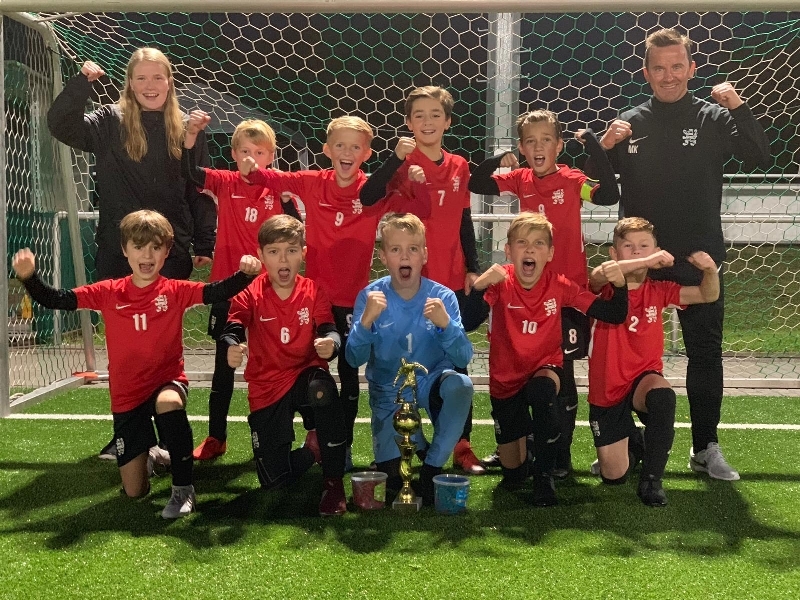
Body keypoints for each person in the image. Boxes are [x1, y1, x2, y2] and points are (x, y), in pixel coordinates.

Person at [588, 28, 771, 480]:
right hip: (639, 262)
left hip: (697, 257)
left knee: (705, 353)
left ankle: (705, 446)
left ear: (691, 68)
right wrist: (602, 148)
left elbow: (760, 156)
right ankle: (625, 439)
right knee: (623, 352)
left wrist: (738, 106)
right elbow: (599, 191)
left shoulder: (713, 117)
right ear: (645, 71)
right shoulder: (630, 122)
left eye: (676, 66)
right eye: (659, 67)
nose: (667, 75)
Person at [11, 210, 260, 518]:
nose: (147, 255)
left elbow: (217, 291)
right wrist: (29, 278)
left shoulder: (175, 290)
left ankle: (183, 489)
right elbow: (56, 299)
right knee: (134, 491)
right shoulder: (108, 292)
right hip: (127, 395)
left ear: (166, 251)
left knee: (169, 403)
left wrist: (246, 274)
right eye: (139, 246)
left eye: (156, 247)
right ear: (125, 249)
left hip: (167, 381)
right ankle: (154, 454)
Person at [47, 48, 217, 461]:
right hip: (117, 251)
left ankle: (167, 433)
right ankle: (127, 434)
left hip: (169, 252)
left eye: (157, 77)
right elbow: (61, 125)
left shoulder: (186, 127)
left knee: (160, 348)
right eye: (141, 78)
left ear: (169, 81)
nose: (149, 86)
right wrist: (81, 83)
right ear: (129, 83)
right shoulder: (109, 120)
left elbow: (199, 187)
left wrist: (203, 242)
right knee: (125, 350)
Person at [236, 116, 427, 471]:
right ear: (327, 149)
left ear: (367, 154)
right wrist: (254, 170)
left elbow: (413, 206)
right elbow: (276, 179)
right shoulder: (313, 182)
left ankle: (345, 445)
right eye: (340, 145)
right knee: (312, 369)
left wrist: (413, 179)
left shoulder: (374, 190)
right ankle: (314, 435)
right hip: (315, 301)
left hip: (355, 303)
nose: (346, 152)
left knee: (350, 377)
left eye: (355, 147)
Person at [468, 109, 620, 477]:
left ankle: (559, 454)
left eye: (546, 140)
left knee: (561, 376)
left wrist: (595, 147)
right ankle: (519, 445)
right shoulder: (519, 179)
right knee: (520, 367)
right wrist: (497, 158)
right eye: (530, 142)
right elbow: (477, 182)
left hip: (567, 295)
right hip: (527, 291)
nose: (538, 147)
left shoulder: (572, 180)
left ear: (559, 146)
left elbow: (608, 195)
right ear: (521, 148)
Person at [358, 85, 486, 475]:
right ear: (409, 123)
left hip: (450, 279)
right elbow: (368, 196)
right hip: (410, 284)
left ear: (447, 121)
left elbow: (463, 218)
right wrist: (393, 159)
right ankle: (406, 437)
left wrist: (473, 266)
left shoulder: (459, 165)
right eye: (419, 115)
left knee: (456, 361)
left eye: (435, 114)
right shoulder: (402, 162)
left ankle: (461, 445)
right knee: (404, 358)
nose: (427, 122)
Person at [471, 213, 628, 506]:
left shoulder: (560, 285)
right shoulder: (500, 282)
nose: (530, 249)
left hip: (544, 368)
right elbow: (468, 321)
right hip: (505, 379)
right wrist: (479, 287)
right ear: (509, 251)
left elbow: (613, 314)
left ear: (550, 253)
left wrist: (620, 287)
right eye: (522, 243)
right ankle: (526, 451)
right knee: (513, 476)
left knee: (543, 391)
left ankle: (545, 475)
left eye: (539, 243)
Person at [181, 112, 301, 461]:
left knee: (274, 363)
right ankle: (216, 436)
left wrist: (288, 198)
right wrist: (191, 135)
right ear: (234, 154)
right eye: (245, 151)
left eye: (260, 152)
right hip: (228, 288)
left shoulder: (278, 185)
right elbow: (189, 171)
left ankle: (280, 434)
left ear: (271, 156)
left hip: (270, 291)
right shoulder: (225, 182)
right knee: (224, 364)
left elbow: (296, 231)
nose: (252, 158)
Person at [220, 215, 348, 516]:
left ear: (302, 253)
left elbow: (330, 330)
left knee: (322, 389)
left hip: (304, 375)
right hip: (267, 386)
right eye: (274, 251)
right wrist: (230, 347)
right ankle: (312, 450)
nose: (283, 259)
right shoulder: (250, 292)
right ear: (261, 255)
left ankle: (333, 484)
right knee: (273, 480)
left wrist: (331, 344)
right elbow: (232, 329)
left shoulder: (313, 291)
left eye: (291, 250)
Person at [588, 217, 720, 506]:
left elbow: (707, 294)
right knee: (613, 475)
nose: (636, 251)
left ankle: (651, 480)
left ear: (656, 250)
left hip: (643, 379)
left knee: (662, 396)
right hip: (607, 388)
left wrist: (710, 270)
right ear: (614, 252)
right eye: (628, 246)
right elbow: (600, 273)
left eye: (644, 246)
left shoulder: (659, 290)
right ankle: (634, 442)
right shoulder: (606, 288)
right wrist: (646, 261)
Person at [346, 213, 474, 505]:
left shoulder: (442, 297)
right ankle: (417, 444)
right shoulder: (370, 297)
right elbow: (353, 359)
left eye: (413, 249)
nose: (405, 256)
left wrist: (446, 325)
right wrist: (365, 324)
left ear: (424, 255)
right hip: (388, 393)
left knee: (461, 385)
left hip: (430, 383)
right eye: (396, 249)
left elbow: (463, 355)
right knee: (393, 483)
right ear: (383, 257)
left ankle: (432, 468)